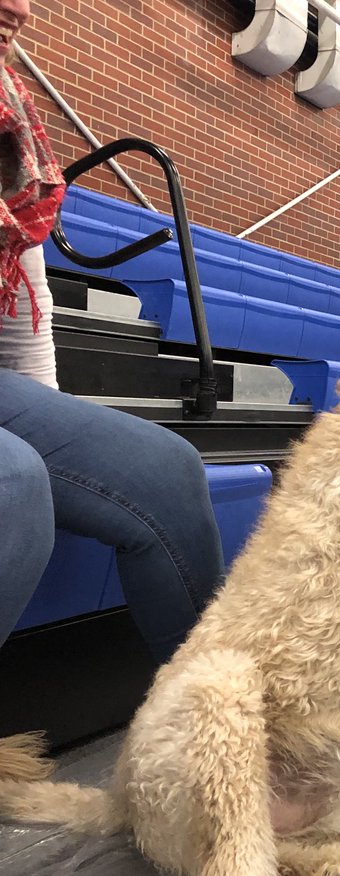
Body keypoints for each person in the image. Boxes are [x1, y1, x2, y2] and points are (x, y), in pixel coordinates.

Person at [0, 0, 223, 660]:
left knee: (168, 469)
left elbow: (21, 287)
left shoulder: (6, 108)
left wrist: (47, 416)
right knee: (13, 482)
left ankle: (216, 723)